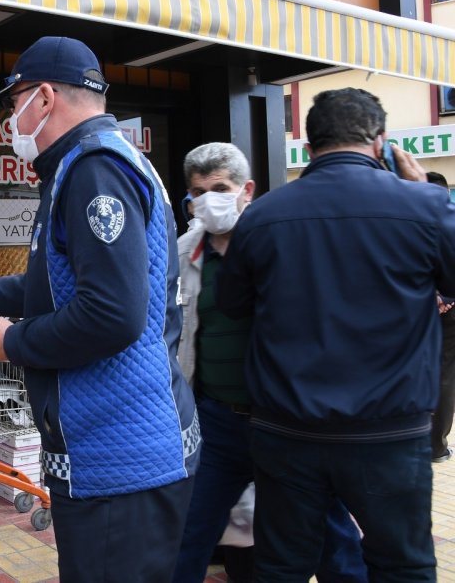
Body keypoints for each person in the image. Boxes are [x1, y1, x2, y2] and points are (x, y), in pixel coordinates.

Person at [0, 36, 200, 581]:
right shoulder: (88, 165)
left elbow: (112, 314)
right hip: (116, 448)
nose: (10, 119)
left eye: (12, 103)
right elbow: (52, 288)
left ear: (43, 98)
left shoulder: (93, 171)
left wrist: (8, 342)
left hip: (120, 457)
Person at [217, 87, 455, 581]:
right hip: (389, 432)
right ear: (381, 143)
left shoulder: (260, 216)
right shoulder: (425, 207)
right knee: (402, 564)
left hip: (286, 430)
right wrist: (425, 189)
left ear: (309, 141)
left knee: (282, 565)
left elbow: (234, 306)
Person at [171, 142, 366, 583]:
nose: (209, 200)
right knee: (189, 529)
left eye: (220, 187)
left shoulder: (284, 243)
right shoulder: (183, 253)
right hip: (215, 421)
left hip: (286, 420)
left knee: (328, 530)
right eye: (198, 191)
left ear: (247, 190)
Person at [426, 171, 455, 464]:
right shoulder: (450, 221)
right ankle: (437, 446)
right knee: (446, 373)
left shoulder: (413, 222)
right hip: (449, 309)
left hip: (419, 309)